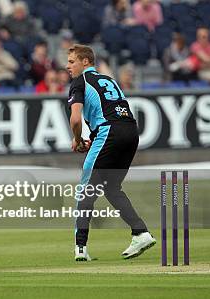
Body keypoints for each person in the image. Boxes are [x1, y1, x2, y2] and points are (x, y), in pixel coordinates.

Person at [66, 44, 155, 262]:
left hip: (109, 133)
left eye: (71, 61)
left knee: (85, 189)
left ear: (85, 61)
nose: (68, 66)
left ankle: (80, 248)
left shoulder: (80, 82)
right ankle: (140, 233)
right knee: (111, 188)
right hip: (130, 132)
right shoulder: (110, 80)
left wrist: (77, 140)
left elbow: (75, 118)